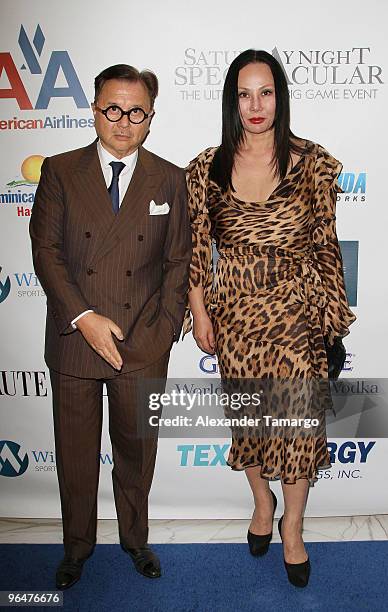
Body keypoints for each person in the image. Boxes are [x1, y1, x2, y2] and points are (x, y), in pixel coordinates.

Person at [184, 49, 355, 588]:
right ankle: (262, 503)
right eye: (244, 93)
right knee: (253, 423)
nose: (255, 105)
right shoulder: (206, 167)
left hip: (297, 311)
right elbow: (195, 249)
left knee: (300, 427)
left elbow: (327, 248)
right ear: (232, 101)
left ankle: (295, 527)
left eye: (266, 92)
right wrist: (199, 311)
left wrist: (332, 320)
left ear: (280, 97)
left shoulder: (312, 163)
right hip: (234, 312)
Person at [30, 64, 191, 589]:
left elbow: (178, 261)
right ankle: (76, 548)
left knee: (136, 453)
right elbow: (47, 253)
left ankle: (135, 540)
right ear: (94, 109)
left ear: (150, 117)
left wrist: (165, 328)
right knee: (76, 457)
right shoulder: (59, 170)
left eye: (136, 112)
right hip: (77, 337)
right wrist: (84, 317)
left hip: (142, 343)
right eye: (112, 109)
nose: (123, 122)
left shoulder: (170, 178)